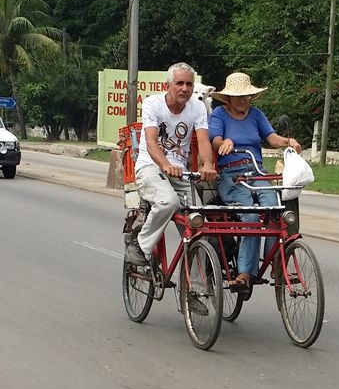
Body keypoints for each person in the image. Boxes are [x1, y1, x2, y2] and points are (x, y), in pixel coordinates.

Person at [208, 72, 302, 290]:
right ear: (229, 98)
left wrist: (288, 142)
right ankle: (244, 273)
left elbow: (271, 138)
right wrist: (225, 142)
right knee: (250, 214)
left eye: (247, 96)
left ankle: (277, 264)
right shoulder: (219, 115)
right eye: (239, 97)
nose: (243, 100)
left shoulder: (256, 114)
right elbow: (215, 140)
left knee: (274, 209)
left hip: (256, 171)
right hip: (231, 175)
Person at [125, 62, 217, 265]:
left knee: (199, 223)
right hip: (150, 166)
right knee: (168, 201)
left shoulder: (198, 107)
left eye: (189, 84)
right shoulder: (152, 103)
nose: (185, 88)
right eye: (179, 83)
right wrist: (165, 164)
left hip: (179, 172)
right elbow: (150, 142)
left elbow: (203, 140)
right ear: (168, 85)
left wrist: (208, 164)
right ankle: (139, 246)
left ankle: (199, 289)